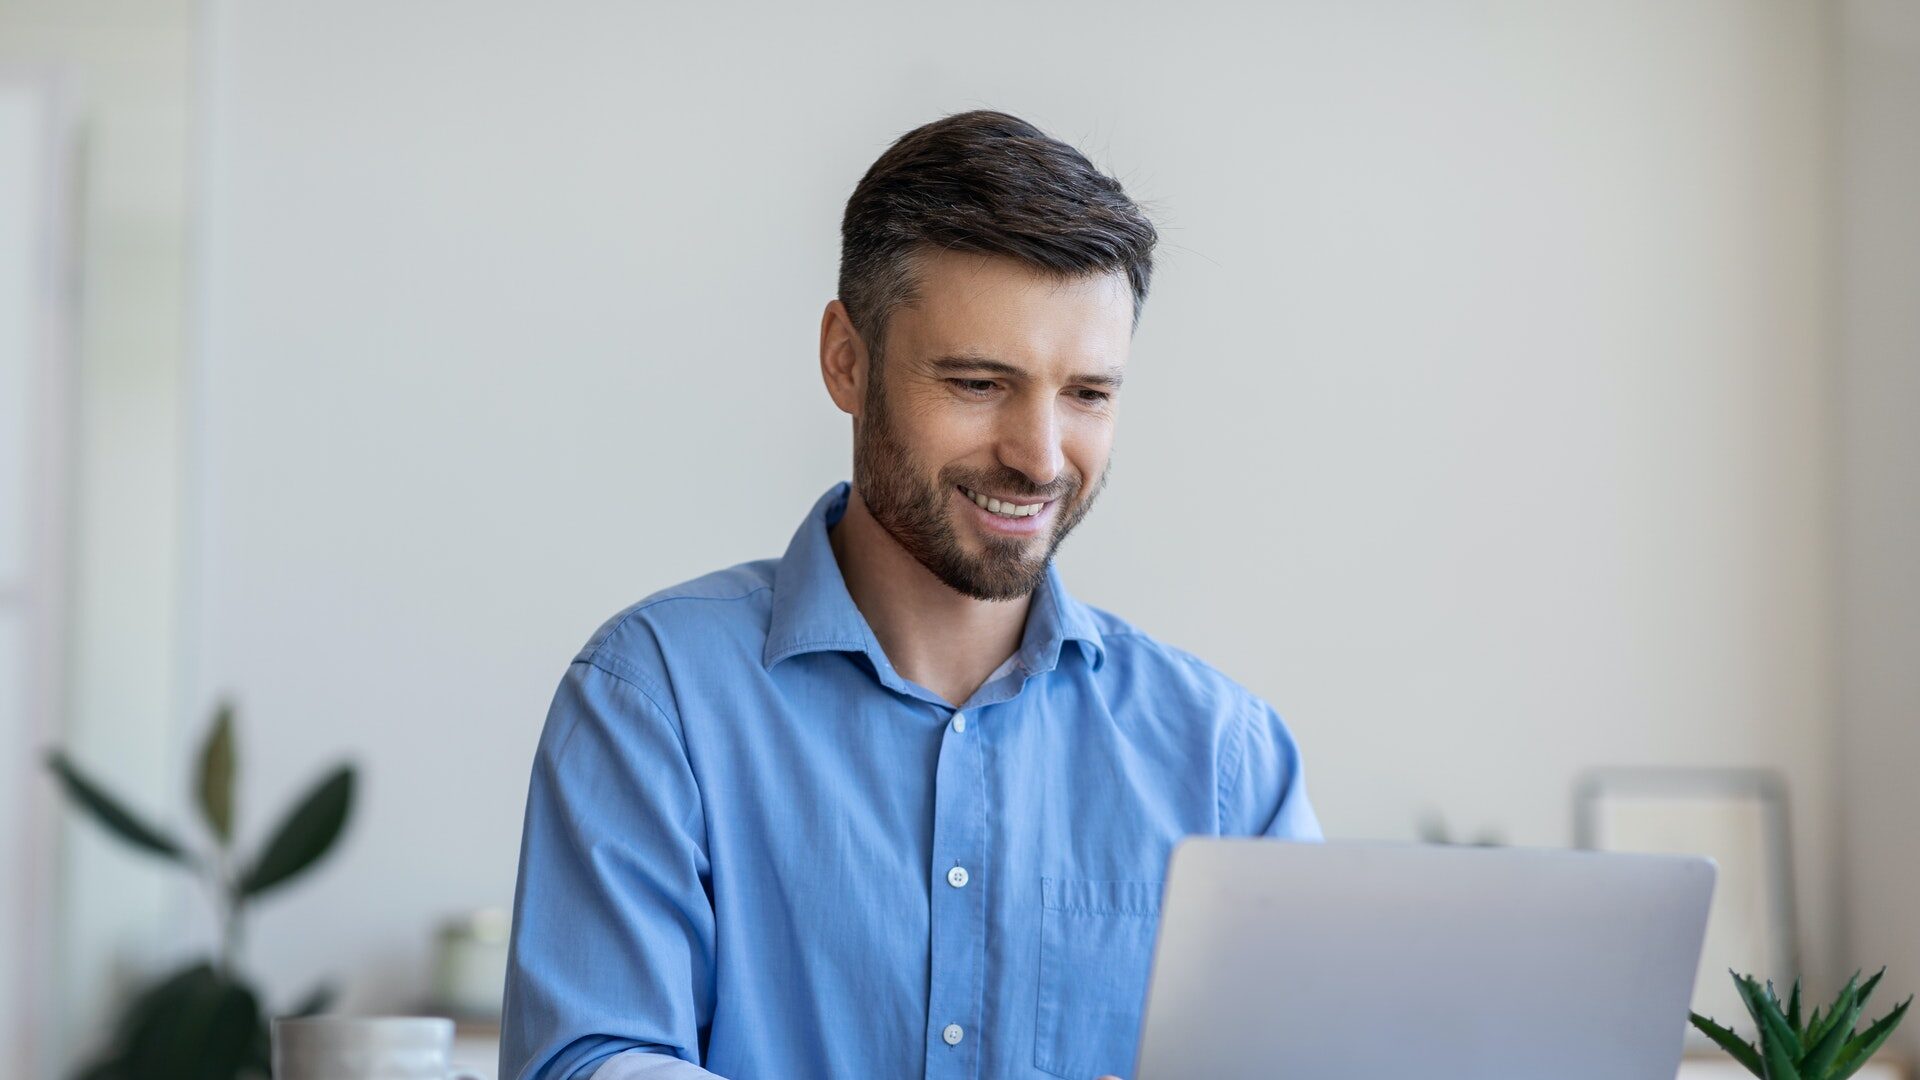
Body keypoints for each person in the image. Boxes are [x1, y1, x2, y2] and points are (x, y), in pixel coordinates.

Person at [499, 109, 1321, 1080]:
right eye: (978, 383)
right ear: (846, 360)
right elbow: (590, 1061)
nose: (1039, 457)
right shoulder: (656, 699)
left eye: (1088, 394)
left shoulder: (1228, 762)